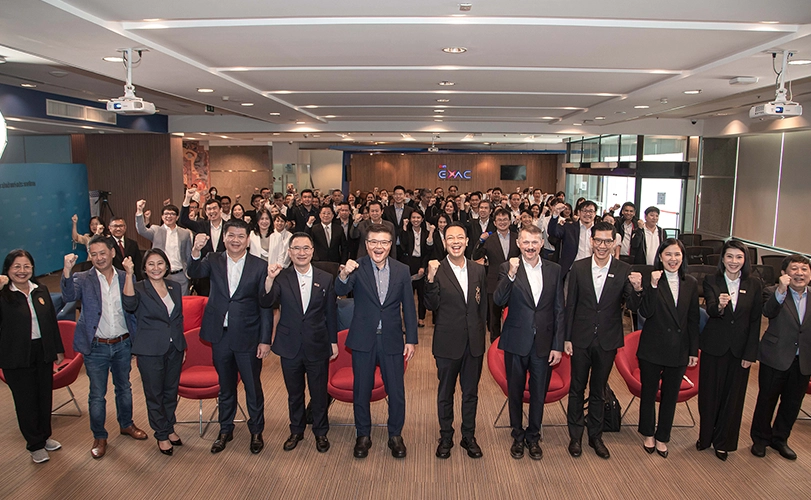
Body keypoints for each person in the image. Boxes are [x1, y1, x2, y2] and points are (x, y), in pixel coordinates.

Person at [188, 219, 272, 455]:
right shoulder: (212, 259)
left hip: (248, 336)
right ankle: (225, 429)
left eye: (241, 236)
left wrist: (265, 339)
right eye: (231, 235)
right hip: (220, 335)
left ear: (248, 240)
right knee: (225, 387)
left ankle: (256, 431)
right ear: (224, 237)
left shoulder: (259, 265)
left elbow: (265, 305)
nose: (236, 240)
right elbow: (194, 272)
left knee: (252, 387)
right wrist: (195, 251)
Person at [335, 224, 418, 459]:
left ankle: (395, 435)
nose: (378, 247)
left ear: (390, 245)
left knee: (396, 390)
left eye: (383, 242)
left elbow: (408, 306)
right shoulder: (356, 266)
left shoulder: (402, 270)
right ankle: (363, 435)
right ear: (366, 244)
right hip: (363, 338)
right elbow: (339, 289)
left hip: (392, 338)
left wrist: (411, 339)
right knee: (361, 389)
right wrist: (344, 273)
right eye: (373, 242)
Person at [61, 236, 148, 459]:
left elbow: (132, 306)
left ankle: (126, 424)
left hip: (123, 344)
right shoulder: (82, 278)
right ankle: (99, 436)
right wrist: (67, 271)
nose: (99, 258)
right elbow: (68, 296)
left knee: (124, 388)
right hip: (96, 346)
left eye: (102, 253)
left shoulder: (125, 276)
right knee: (97, 395)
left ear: (112, 253)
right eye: (94, 254)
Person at [564, 222, 643, 459]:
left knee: (599, 390)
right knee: (577, 388)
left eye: (607, 241)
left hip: (607, 339)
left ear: (614, 242)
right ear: (591, 241)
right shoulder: (578, 268)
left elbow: (633, 306)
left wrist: (638, 289)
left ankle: (596, 436)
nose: (602, 245)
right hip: (580, 337)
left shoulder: (623, 269)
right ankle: (575, 436)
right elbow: (570, 306)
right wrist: (566, 338)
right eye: (598, 240)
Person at [261, 233, 338, 453]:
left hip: (317, 343)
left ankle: (321, 432)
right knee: (294, 393)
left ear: (312, 251)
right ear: (289, 252)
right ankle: (296, 430)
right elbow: (267, 302)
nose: (301, 253)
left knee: (318, 393)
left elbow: (330, 312)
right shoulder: (281, 277)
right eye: (296, 248)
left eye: (306, 248)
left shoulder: (326, 278)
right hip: (290, 345)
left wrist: (333, 341)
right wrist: (269, 280)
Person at [494, 224, 565, 460]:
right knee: (515, 392)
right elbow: (498, 299)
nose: (530, 247)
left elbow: (559, 309)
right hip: (516, 341)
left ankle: (534, 436)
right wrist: (511, 274)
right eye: (526, 242)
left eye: (535, 242)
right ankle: (517, 435)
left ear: (542, 243)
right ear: (518, 244)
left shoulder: (554, 270)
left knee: (538, 393)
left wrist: (557, 345)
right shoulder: (507, 267)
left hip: (543, 343)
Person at [424, 223, 488, 459]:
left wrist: (480, 337)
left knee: (471, 393)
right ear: (444, 242)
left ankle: (468, 436)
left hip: (474, 344)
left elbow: (482, 308)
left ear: (467, 241)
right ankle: (446, 436)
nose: (455, 242)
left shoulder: (478, 270)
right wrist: (430, 279)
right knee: (445, 393)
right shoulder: (437, 269)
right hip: (447, 343)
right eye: (450, 238)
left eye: (460, 237)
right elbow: (430, 305)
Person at [697, 239, 762, 461]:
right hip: (714, 346)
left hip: (740, 350)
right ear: (722, 259)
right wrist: (720, 306)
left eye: (739, 257)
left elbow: (755, 321)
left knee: (733, 398)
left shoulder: (754, 284)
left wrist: (750, 354)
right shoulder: (711, 280)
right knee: (709, 395)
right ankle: (705, 437)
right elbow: (711, 310)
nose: (734, 261)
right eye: (730, 256)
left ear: (745, 260)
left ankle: (723, 442)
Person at [636, 238, 699, 458]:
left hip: (678, 348)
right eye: (668, 254)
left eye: (677, 254)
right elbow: (645, 312)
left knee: (670, 396)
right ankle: (648, 433)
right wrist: (652, 286)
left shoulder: (690, 282)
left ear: (683, 257)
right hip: (652, 347)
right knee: (649, 393)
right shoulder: (652, 279)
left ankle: (663, 436)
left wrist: (693, 350)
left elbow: (693, 319)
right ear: (660, 257)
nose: (673, 259)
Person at [0, 250, 65, 464]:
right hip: (16, 355)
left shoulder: (41, 290)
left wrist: (58, 349)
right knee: (26, 401)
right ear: (7, 270)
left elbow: (51, 322)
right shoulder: (3, 294)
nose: (22, 271)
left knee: (44, 397)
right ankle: (35, 444)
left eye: (26, 266)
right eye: (17, 267)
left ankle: (45, 436)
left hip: (42, 351)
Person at [121, 250, 186, 456]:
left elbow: (178, 318)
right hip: (150, 349)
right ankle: (161, 434)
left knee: (170, 391)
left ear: (166, 266)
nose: (156, 268)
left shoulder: (174, 287)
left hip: (174, 347)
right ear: (144, 268)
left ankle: (169, 426)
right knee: (155, 393)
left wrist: (182, 345)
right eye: (151, 264)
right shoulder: (138, 288)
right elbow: (129, 305)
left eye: (160, 263)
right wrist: (129, 274)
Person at [750, 254, 811, 461]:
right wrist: (781, 290)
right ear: (784, 273)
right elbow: (768, 312)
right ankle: (760, 439)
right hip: (775, 356)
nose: (799, 274)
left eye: (804, 269)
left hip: (803, 359)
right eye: (795, 269)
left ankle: (780, 439)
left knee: (792, 403)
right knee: (767, 400)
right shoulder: (772, 292)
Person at [472, 208, 519, 342]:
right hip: (494, 283)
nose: (502, 222)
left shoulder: (517, 238)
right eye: (499, 220)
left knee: (514, 315)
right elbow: (476, 256)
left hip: (515, 283)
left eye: (505, 219)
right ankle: (495, 345)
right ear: (495, 222)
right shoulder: (489, 239)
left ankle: (512, 342)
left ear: (510, 221)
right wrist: (480, 241)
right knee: (494, 318)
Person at [135, 201, 193, 295]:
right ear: (162, 217)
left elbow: (188, 254)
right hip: (161, 274)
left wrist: (189, 274)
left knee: (182, 302)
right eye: (166, 214)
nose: (169, 216)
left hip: (180, 275)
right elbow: (141, 230)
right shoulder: (156, 230)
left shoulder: (185, 233)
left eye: (172, 214)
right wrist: (139, 210)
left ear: (177, 217)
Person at [180, 188, 226, 296]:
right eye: (208, 209)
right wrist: (187, 198)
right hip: (205, 275)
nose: (212, 211)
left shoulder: (228, 226)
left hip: (224, 273)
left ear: (220, 210)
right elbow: (184, 220)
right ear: (205, 212)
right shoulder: (201, 225)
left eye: (214, 208)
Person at [548, 199, 597, 275]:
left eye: (591, 211)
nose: (587, 214)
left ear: (595, 213)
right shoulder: (569, 227)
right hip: (571, 271)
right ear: (579, 212)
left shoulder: (598, 230)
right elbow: (553, 232)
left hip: (592, 271)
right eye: (584, 211)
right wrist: (555, 214)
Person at [399, 210, 431, 327]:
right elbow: (403, 246)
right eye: (413, 217)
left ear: (422, 219)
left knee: (422, 294)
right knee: (408, 295)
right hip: (408, 264)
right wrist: (404, 227)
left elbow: (427, 252)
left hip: (421, 263)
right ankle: (407, 319)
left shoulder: (426, 233)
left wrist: (423, 267)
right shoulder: (406, 232)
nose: (415, 220)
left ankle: (421, 318)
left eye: (418, 217)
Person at [107, 217, 144, 281]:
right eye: (115, 226)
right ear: (110, 228)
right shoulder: (105, 244)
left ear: (125, 227)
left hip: (131, 279)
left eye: (121, 226)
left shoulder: (133, 244)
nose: (118, 229)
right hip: (113, 279)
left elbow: (138, 265)